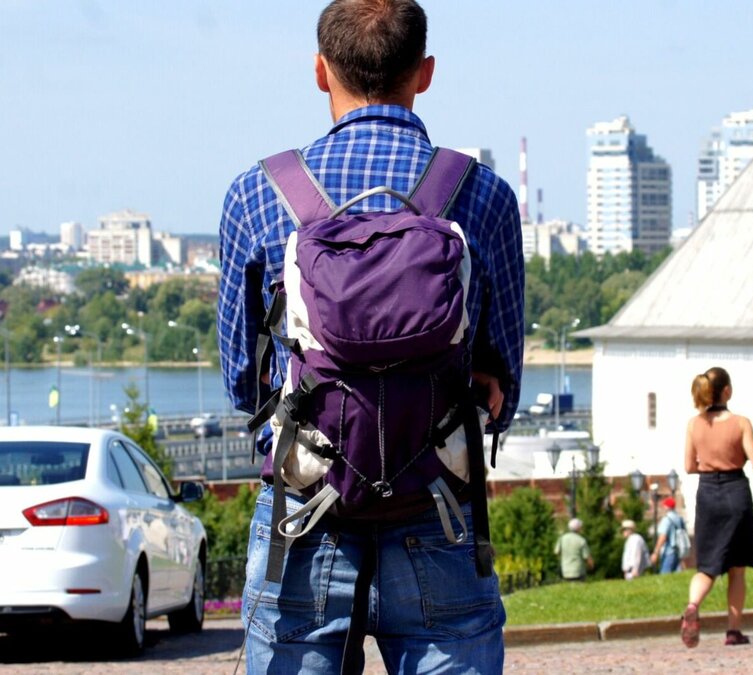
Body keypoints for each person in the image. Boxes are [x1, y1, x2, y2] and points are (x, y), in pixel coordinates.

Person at [217, 1, 524, 671]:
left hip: (304, 511)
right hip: (438, 506)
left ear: (321, 72)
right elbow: (504, 382)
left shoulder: (258, 193)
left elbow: (244, 379)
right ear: (426, 72)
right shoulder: (484, 195)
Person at [680, 366, 753, 649]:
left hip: (707, 494)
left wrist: (709, 462)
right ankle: (733, 631)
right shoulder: (741, 423)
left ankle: (692, 606)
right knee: (737, 569)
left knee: (707, 566)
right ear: (727, 391)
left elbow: (689, 466)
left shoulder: (695, 424)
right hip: (735, 492)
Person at [651, 496, 686, 574]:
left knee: (665, 575)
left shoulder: (667, 519)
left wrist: (655, 553)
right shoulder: (679, 518)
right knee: (677, 576)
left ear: (666, 507)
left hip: (669, 551)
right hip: (678, 551)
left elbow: (662, 537)